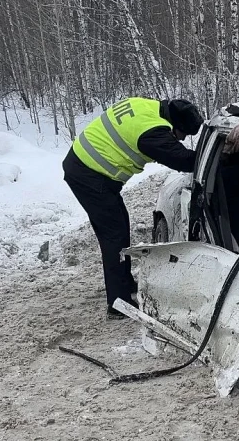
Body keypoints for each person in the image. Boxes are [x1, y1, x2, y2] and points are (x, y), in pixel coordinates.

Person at [63, 97, 204, 319]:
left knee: (119, 227)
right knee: (114, 236)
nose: (182, 139)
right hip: (89, 175)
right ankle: (118, 304)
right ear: (175, 125)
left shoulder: (146, 107)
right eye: (183, 134)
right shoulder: (152, 132)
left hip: (84, 166)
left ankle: (124, 284)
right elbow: (182, 160)